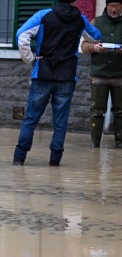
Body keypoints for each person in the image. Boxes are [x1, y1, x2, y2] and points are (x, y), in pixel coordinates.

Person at [13, 0, 102, 166]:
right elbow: (96, 37)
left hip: (43, 74)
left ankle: (19, 158)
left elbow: (21, 34)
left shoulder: (43, 15)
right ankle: (55, 160)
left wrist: (30, 59)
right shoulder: (80, 19)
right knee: (60, 121)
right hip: (67, 76)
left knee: (31, 118)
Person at [81, 0, 122, 148]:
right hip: (99, 74)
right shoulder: (96, 22)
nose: (114, 9)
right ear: (106, 6)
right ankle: (95, 144)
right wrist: (93, 47)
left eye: (117, 5)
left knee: (120, 112)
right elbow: (83, 45)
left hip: (120, 75)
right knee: (97, 111)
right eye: (111, 5)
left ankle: (120, 143)